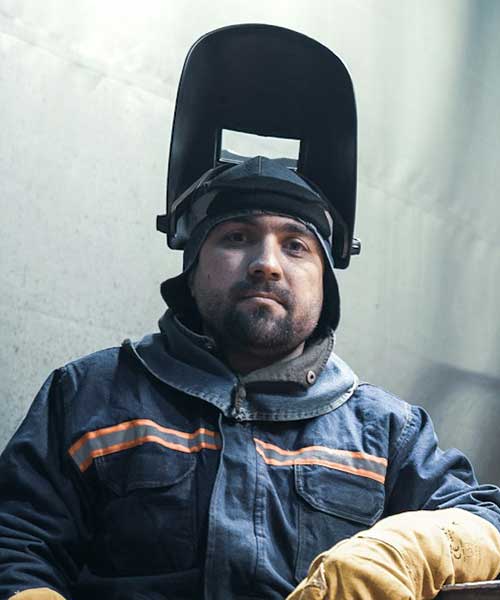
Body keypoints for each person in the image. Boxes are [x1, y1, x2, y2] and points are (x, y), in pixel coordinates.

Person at [1, 155, 500, 600]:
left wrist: (404, 553)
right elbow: (16, 539)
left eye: (296, 246)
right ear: (193, 268)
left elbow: (488, 524)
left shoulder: (388, 432)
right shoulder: (89, 394)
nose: (266, 265)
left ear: (325, 283)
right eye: (236, 237)